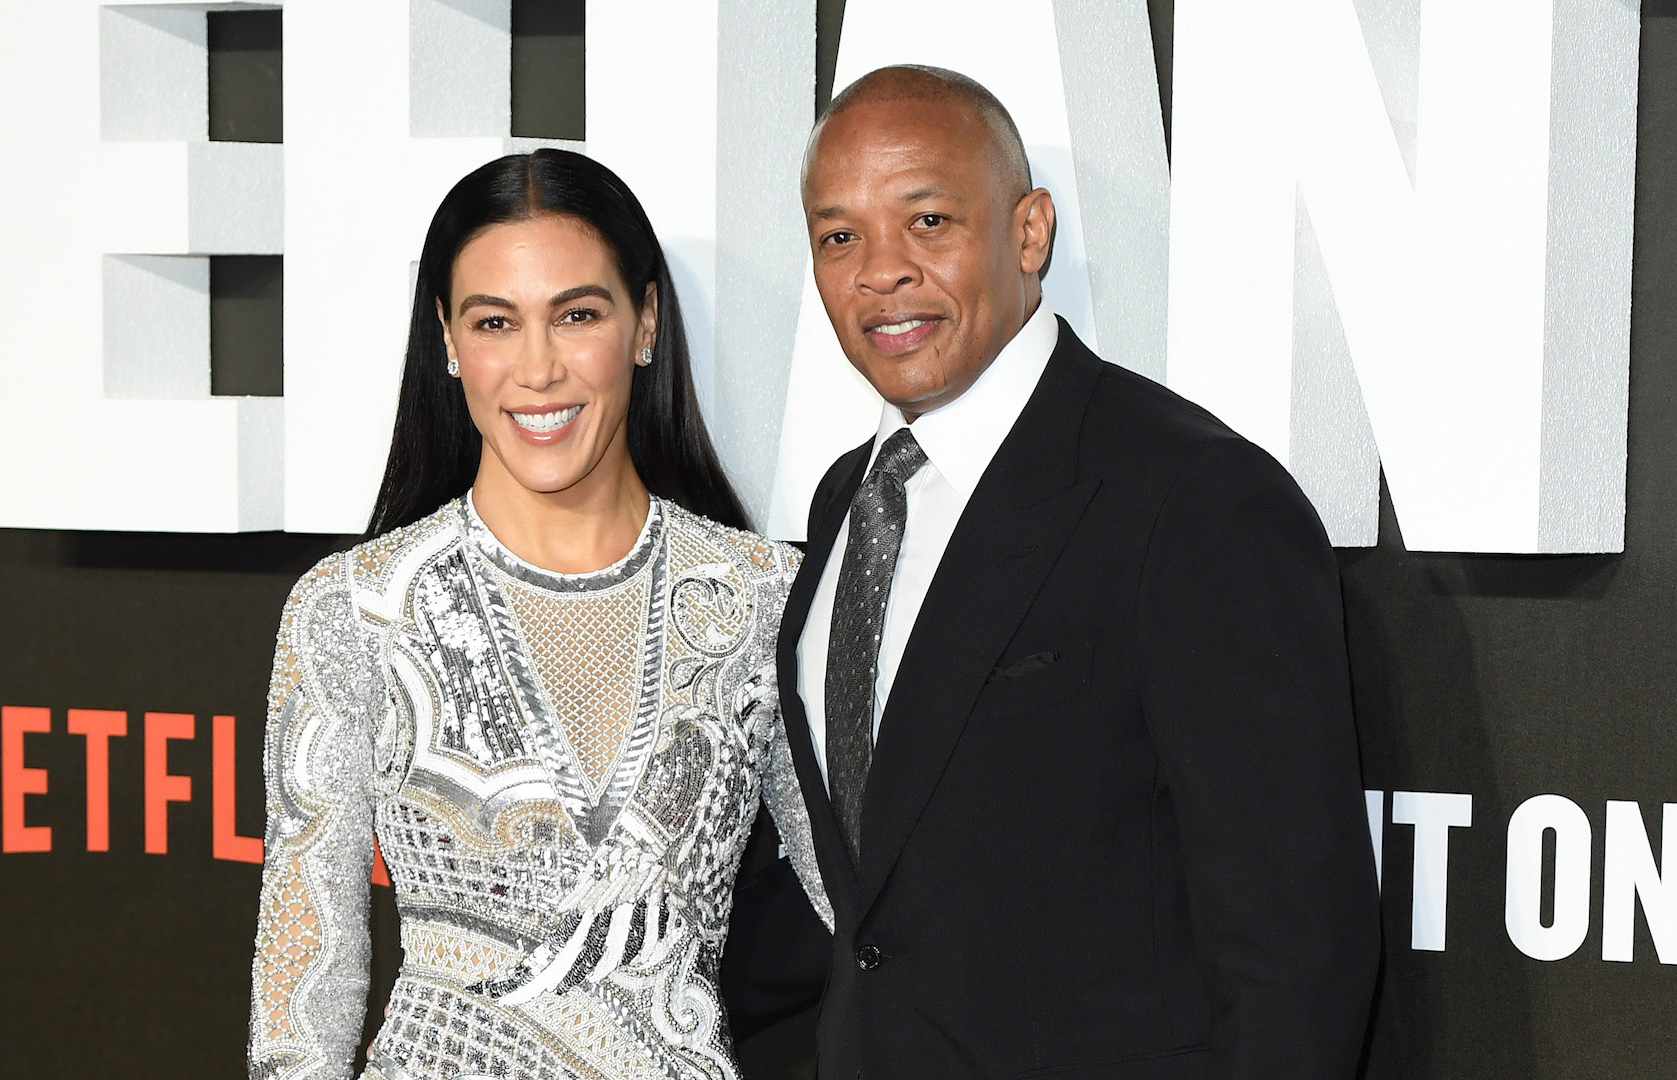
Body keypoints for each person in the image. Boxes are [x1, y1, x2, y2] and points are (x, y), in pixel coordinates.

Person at [732, 65, 1381, 1078]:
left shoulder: (1193, 498)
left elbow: (1293, 947)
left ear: (1029, 231)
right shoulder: (845, 501)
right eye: (839, 236)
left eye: (929, 221)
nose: (881, 272)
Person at [246, 149, 828, 1080]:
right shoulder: (354, 611)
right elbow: (303, 998)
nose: (538, 368)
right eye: (494, 322)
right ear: (447, 339)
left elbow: (870, 912)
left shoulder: (765, 599)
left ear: (644, 322)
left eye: (577, 315)